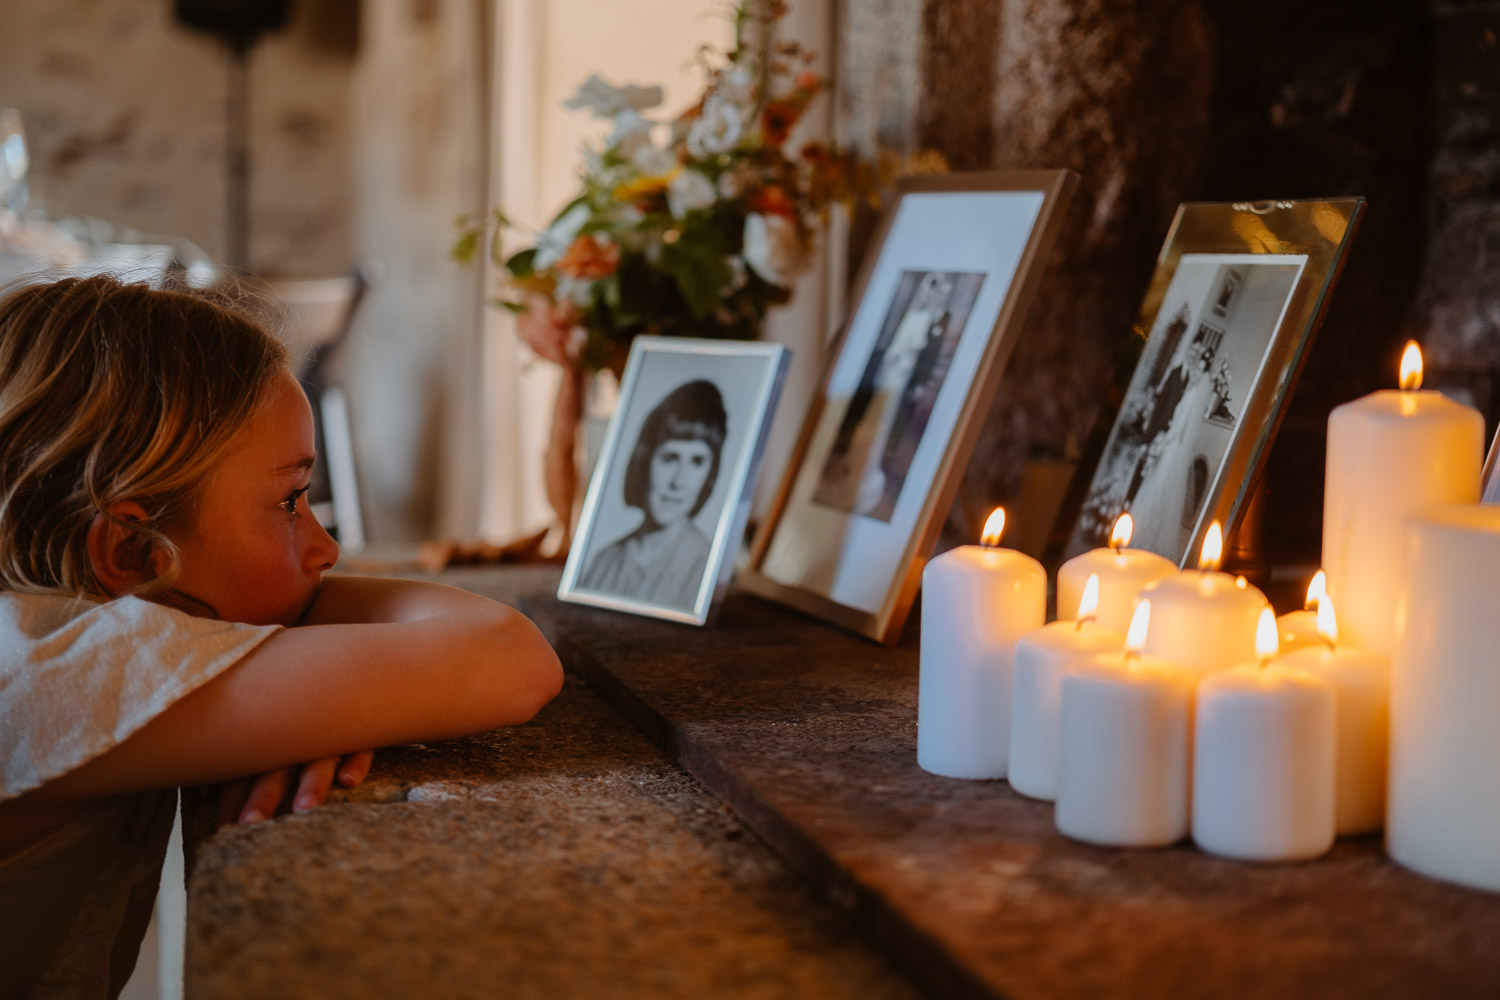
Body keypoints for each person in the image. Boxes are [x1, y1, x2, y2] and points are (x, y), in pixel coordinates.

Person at [0, 276, 563, 998]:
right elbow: (505, 656)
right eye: (291, 502)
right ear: (133, 551)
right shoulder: (50, 671)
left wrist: (308, 686)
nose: (326, 548)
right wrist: (330, 684)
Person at [579, 379, 726, 610]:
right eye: (669, 458)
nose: (679, 481)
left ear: (710, 473)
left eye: (697, 462)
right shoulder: (606, 560)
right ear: (645, 460)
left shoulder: (706, 567)